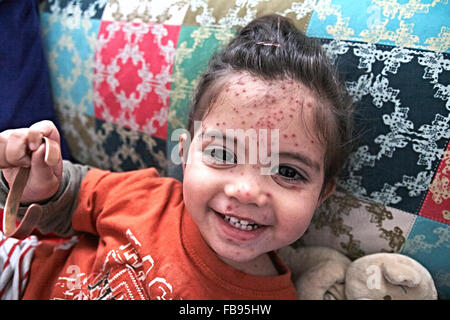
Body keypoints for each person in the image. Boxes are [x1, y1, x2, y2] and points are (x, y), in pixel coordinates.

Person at [0, 14, 353, 300]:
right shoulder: (146, 199)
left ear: (322, 193)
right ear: (184, 155)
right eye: (221, 153)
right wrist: (40, 187)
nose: (245, 190)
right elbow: (71, 198)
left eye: (287, 171)